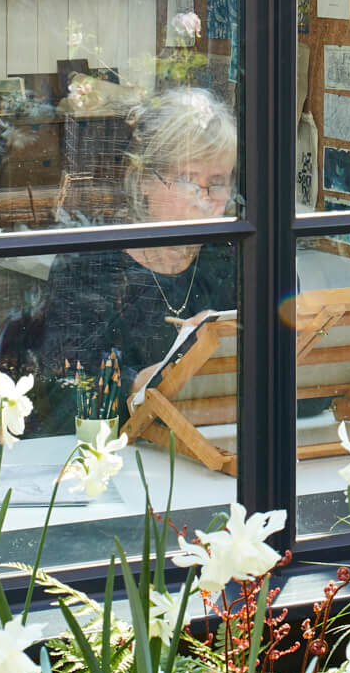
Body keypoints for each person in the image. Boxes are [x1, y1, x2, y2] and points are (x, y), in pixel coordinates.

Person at [38, 88, 238, 431]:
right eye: (189, 180)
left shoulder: (234, 257)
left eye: (217, 183)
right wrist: (139, 383)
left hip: (216, 444)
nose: (205, 200)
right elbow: (62, 387)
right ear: (145, 180)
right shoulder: (90, 264)